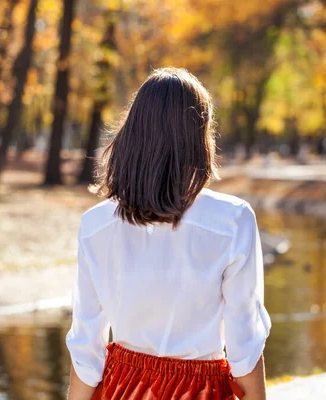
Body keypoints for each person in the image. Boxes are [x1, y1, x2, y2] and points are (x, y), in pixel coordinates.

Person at [66, 68, 271, 400]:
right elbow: (243, 348)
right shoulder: (232, 220)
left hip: (123, 388)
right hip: (201, 391)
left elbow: (87, 349)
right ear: (199, 138)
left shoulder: (96, 225)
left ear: (132, 133)